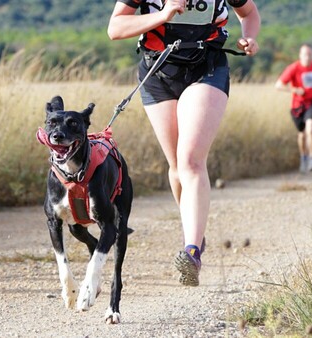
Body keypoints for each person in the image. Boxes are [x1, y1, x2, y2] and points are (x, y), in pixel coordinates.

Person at [107, 0, 260, 286]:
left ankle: (191, 250)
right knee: (177, 166)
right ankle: (195, 233)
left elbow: (248, 12)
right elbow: (115, 28)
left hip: (207, 69)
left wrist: (249, 37)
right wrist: (163, 15)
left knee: (191, 160)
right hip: (158, 73)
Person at [275, 44, 312, 173]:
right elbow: (278, 85)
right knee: (302, 134)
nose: (308, 57)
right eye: (305, 54)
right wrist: (294, 89)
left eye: (310, 54)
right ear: (300, 55)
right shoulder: (293, 68)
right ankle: (303, 157)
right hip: (297, 106)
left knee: (310, 129)